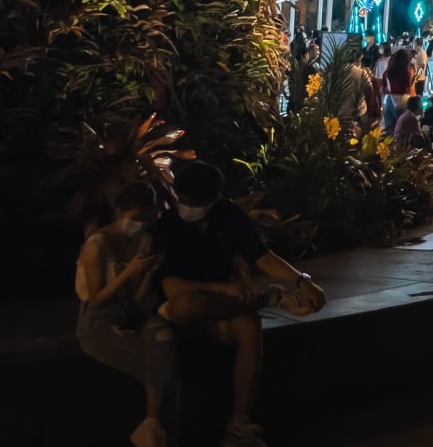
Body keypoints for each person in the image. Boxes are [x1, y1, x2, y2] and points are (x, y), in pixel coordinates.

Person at [156, 162, 324, 447]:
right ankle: (266, 299)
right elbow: (170, 287)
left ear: (212, 199)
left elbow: (262, 256)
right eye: (182, 200)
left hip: (223, 309)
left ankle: (239, 424)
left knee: (248, 326)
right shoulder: (169, 225)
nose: (187, 207)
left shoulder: (229, 215)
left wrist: (302, 281)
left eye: (193, 202)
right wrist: (224, 288)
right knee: (188, 303)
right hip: (178, 310)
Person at [75, 182, 174, 447]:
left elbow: (138, 302)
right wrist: (129, 272)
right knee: (158, 364)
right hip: (99, 318)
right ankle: (154, 431)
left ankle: (151, 426)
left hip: (130, 311)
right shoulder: (98, 244)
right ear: (120, 211)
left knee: (162, 336)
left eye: (146, 218)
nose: (140, 224)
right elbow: (97, 301)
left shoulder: (145, 240)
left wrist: (150, 273)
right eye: (135, 218)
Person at [383, 47, 413, 135]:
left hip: (388, 101)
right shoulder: (405, 73)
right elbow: (407, 90)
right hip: (401, 103)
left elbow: (383, 89)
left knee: (390, 131)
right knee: (402, 130)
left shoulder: (387, 72)